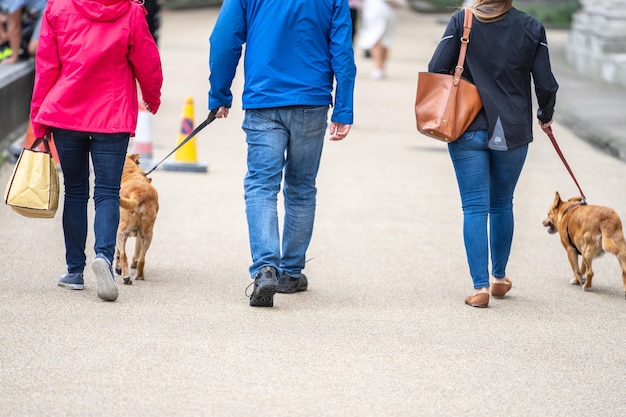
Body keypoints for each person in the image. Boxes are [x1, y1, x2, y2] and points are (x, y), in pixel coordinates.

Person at [208, 0, 356, 308]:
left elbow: (224, 40)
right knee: (301, 188)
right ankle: (290, 272)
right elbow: (342, 50)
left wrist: (220, 93)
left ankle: (265, 268)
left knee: (262, 186)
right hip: (311, 101)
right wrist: (343, 107)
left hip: (263, 99)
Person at [427, 0, 558, 308]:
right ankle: (499, 278)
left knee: (474, 207)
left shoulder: (463, 21)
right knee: (502, 202)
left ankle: (480, 288)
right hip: (511, 127)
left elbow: (436, 69)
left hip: (466, 123)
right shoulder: (532, 27)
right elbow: (546, 84)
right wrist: (545, 113)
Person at [30, 0, 162, 301]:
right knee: (106, 191)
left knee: (75, 190)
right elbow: (148, 61)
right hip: (111, 116)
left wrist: (39, 118)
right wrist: (151, 97)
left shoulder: (58, 8)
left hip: (66, 112)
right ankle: (103, 256)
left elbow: (46, 65)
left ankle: (74, 271)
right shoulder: (130, 10)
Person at [358, 0, 406, 79]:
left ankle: (378, 67)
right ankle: (381, 67)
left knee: (375, 38)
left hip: (376, 9)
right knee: (385, 39)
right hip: (389, 9)